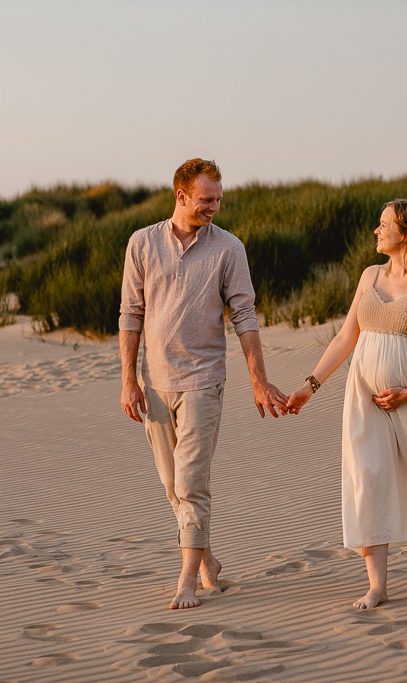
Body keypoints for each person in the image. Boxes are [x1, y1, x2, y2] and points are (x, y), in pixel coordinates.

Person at [286, 198, 407, 609]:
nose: (377, 231)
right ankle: (378, 586)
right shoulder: (370, 275)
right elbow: (345, 338)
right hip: (365, 398)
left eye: (383, 224)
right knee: (368, 480)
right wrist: (310, 385)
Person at [119, 158, 289, 610]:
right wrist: (129, 381)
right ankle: (207, 559)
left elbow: (245, 317)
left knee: (192, 482)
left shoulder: (229, 248)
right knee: (172, 484)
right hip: (155, 383)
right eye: (206, 199)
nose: (215, 206)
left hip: (204, 380)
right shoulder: (141, 243)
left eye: (218, 198)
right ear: (181, 197)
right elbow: (130, 315)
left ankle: (186, 580)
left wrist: (259, 381)